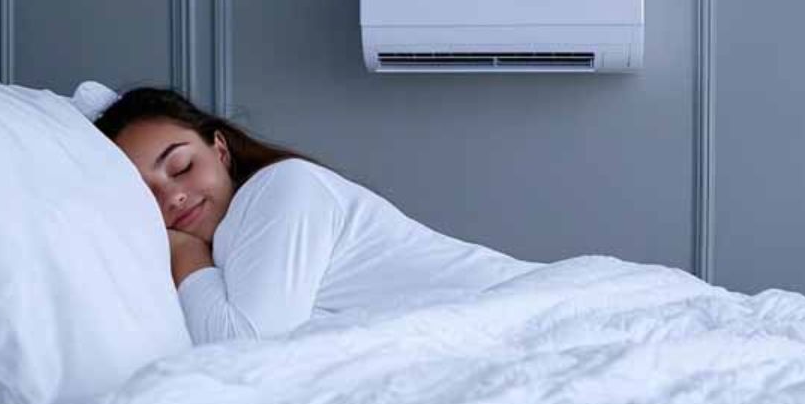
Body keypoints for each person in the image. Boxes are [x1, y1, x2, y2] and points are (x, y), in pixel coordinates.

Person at [95, 87, 535, 344]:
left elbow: (245, 344)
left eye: (182, 167)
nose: (173, 197)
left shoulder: (282, 186)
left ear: (221, 150)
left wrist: (184, 252)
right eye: (146, 195)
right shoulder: (231, 244)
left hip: (520, 307)